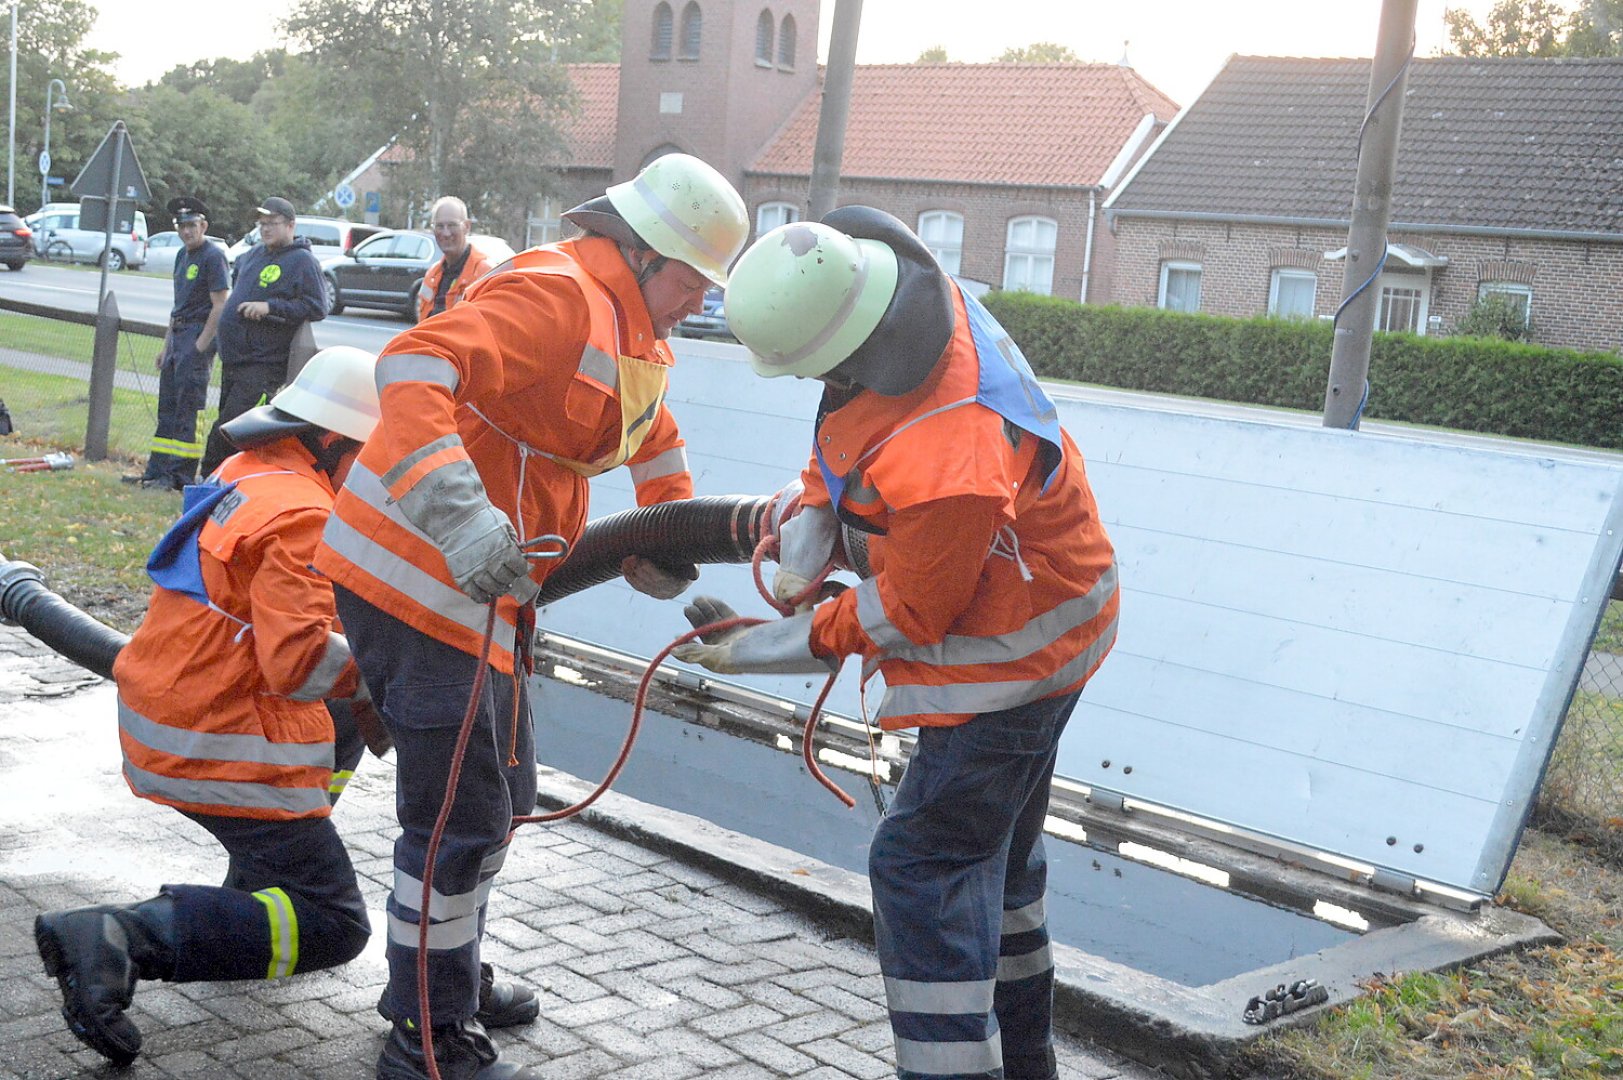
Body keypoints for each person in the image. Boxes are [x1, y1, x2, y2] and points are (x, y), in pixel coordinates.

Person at [312, 152, 749, 1080]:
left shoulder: (633, 331)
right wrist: (461, 517)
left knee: (498, 805)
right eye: (694, 280)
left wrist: (663, 535)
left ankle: (443, 978)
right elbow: (413, 362)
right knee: (455, 823)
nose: (699, 301)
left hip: (488, 601)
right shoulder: (556, 295)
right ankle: (427, 1035)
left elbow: (651, 434)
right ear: (642, 251)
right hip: (422, 584)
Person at [673, 207, 1121, 1080]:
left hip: (1012, 664)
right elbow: (846, 438)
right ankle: (1025, 1064)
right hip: (1045, 622)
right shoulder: (891, 302)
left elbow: (909, 612)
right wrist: (812, 522)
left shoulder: (952, 444)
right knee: (995, 867)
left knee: (921, 864)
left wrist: (768, 644)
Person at [33, 347, 385, 1068]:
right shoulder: (305, 515)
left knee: (340, 731)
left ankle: (255, 884)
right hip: (217, 740)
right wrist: (391, 668)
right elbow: (297, 660)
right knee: (333, 922)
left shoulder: (251, 473)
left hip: (171, 706)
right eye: (376, 461)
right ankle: (118, 938)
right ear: (335, 443)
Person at [199, 196, 327, 477]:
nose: (265, 229)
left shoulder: (302, 261)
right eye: (262, 223)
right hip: (235, 358)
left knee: (233, 428)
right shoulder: (255, 254)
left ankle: (213, 480)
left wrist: (270, 308)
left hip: (263, 363)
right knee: (227, 423)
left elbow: (318, 306)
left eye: (273, 223)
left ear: (291, 225)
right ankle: (218, 482)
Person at [124, 196, 230, 491]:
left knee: (188, 413)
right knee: (167, 410)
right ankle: (157, 471)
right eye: (181, 226)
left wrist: (201, 346)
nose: (186, 232)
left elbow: (220, 305)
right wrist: (166, 346)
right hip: (177, 338)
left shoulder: (213, 256)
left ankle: (180, 476)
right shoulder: (182, 256)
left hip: (196, 338)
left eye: (192, 225)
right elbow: (177, 306)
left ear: (203, 226)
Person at [418, 195, 496, 322]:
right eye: (440, 226)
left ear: (466, 227)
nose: (446, 233)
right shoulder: (432, 274)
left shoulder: (484, 272)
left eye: (452, 225)